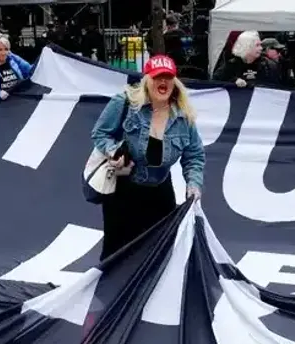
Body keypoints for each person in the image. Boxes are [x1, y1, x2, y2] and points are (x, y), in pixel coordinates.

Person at [90, 55, 205, 261]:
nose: (163, 82)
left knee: (158, 256)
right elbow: (100, 133)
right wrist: (114, 151)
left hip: (160, 194)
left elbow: (194, 155)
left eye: (168, 77)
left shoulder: (183, 117)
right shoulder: (124, 103)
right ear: (147, 80)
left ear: (174, 82)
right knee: (117, 257)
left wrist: (193, 184)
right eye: (157, 77)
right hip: (123, 192)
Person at [212, 30, 280, 88]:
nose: (261, 48)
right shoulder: (231, 65)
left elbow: (274, 86)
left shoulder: (268, 65)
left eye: (260, 45)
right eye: (257, 45)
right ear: (246, 47)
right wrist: (234, 81)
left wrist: (249, 84)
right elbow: (216, 81)